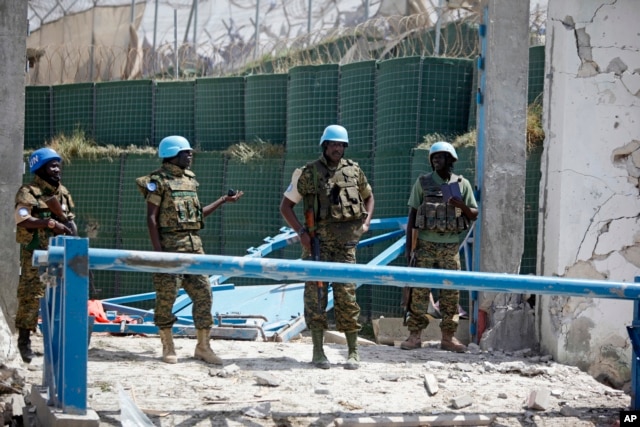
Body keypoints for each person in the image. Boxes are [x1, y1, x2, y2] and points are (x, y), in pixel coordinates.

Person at [135, 135, 243, 365]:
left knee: (204, 294)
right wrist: (159, 254)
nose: (190, 156)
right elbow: (151, 219)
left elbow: (196, 216)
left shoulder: (190, 180)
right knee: (166, 298)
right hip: (170, 249)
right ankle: (168, 345)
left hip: (195, 249)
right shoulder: (157, 181)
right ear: (174, 155)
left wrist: (223, 200)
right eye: (186, 152)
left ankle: (203, 346)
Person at [279, 124, 374, 370]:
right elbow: (286, 207)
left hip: (345, 247)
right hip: (317, 246)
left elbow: (368, 197)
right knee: (316, 298)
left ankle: (353, 352)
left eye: (341, 145)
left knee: (347, 297)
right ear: (325, 146)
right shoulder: (308, 173)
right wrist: (301, 232)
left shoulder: (353, 171)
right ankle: (318, 351)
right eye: (333, 144)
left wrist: (366, 222)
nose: (338, 149)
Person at [401, 141, 478, 353]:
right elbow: (413, 216)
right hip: (425, 245)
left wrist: (460, 204)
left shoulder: (462, 184)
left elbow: (473, 214)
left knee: (451, 292)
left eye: (441, 157)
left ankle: (448, 337)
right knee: (419, 291)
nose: (436, 160)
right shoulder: (423, 182)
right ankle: (414, 335)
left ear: (450, 160)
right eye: (433, 157)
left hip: (450, 246)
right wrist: (410, 250)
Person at [14, 147, 76, 363]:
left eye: (58, 164)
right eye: (52, 165)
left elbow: (70, 218)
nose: (57, 169)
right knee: (31, 297)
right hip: (35, 253)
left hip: (59, 254)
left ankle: (54, 344)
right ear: (39, 168)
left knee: (57, 298)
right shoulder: (28, 191)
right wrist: (50, 223)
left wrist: (72, 233)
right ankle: (24, 341)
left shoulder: (63, 192)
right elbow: (22, 219)